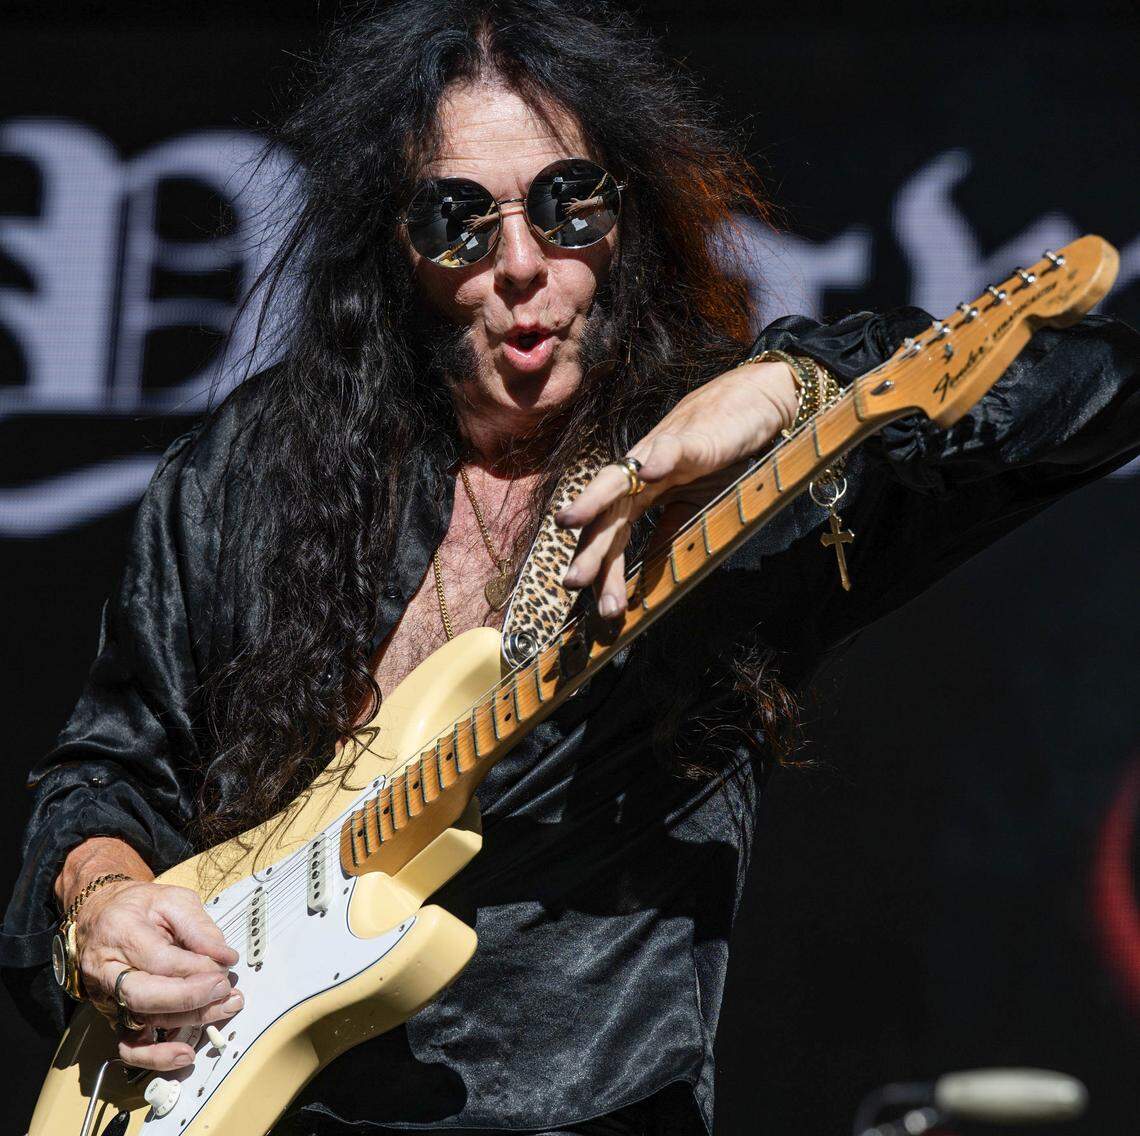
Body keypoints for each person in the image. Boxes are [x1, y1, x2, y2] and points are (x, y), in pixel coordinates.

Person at [3, 2, 1139, 1134]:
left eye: (566, 204)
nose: (522, 264)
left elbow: (1100, 387)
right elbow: (107, 769)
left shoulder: (728, 476)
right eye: (460, 220)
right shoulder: (246, 474)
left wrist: (800, 384)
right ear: (393, 244)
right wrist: (99, 901)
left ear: (625, 211)